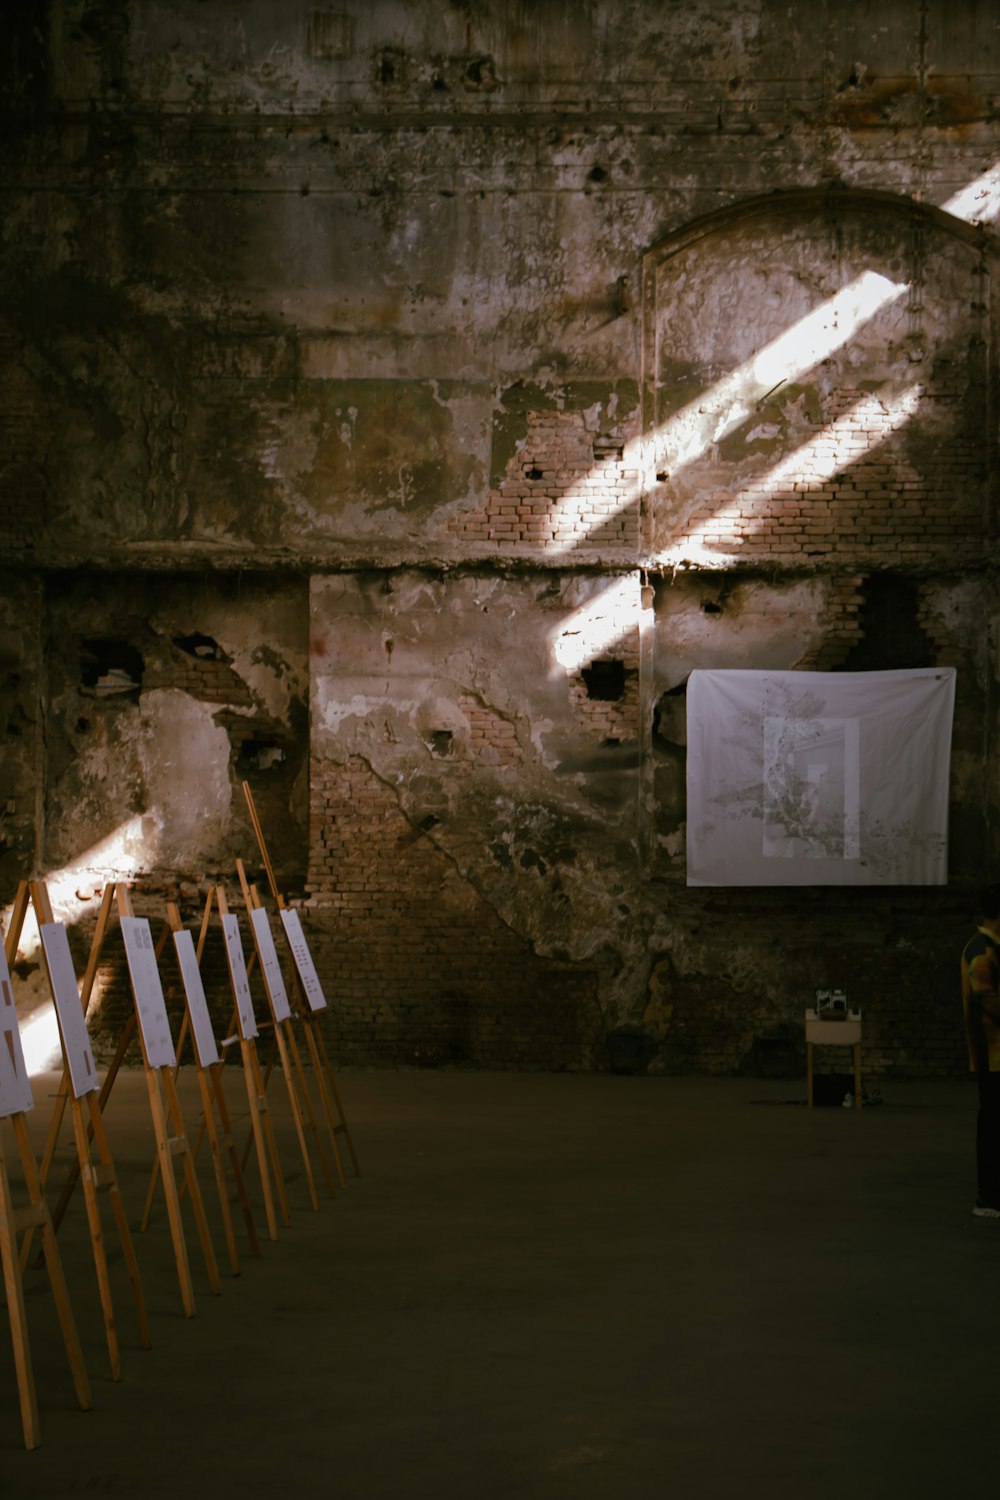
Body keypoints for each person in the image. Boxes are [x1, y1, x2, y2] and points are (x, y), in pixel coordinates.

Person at [960, 885, 1000, 1217]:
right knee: (992, 1124)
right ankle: (988, 1198)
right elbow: (987, 1001)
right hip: (993, 1055)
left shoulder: (989, 948)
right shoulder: (982, 952)